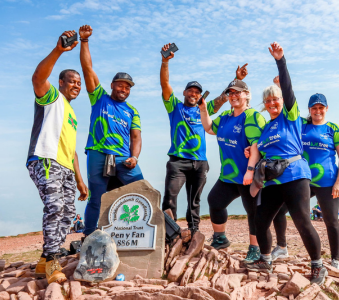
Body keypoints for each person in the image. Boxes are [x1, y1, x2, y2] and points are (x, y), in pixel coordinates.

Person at [245, 42, 328, 285]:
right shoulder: (266, 127)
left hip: (295, 175)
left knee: (302, 219)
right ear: (264, 104)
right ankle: (265, 258)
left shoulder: (290, 116)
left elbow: (288, 89)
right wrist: (252, 152)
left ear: (282, 101)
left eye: (275, 100)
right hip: (272, 180)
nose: (272, 104)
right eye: (268, 101)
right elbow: (260, 151)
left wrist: (280, 61)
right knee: (260, 220)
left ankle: (318, 266)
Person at [27, 30, 88, 284]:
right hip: (45, 160)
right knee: (55, 208)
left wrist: (79, 180)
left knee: (68, 214)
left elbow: (71, 149)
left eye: (79, 83)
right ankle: (52, 260)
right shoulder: (52, 98)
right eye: (72, 81)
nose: (76, 85)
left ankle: (44, 260)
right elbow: (38, 77)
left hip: (64, 167)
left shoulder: (72, 114)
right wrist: (58, 51)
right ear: (61, 83)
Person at [267, 89, 339, 270]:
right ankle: (282, 247)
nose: (317, 111)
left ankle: (335, 259)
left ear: (326, 108)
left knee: (331, 220)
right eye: (314, 108)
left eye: (321, 107)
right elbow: (287, 110)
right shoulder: (301, 125)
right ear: (309, 109)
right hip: (302, 180)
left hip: (327, 181)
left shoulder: (333, 129)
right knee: (279, 211)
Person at [79, 25, 144, 237]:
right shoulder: (99, 98)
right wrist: (85, 41)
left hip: (124, 158)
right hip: (98, 153)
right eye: (120, 85)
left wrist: (134, 157)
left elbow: (136, 137)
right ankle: (89, 237)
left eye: (128, 87)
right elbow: (87, 69)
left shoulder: (133, 111)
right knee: (96, 198)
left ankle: (146, 232)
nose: (124, 89)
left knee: (143, 191)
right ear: (112, 85)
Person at [160, 43, 229, 233]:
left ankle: (194, 231)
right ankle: (169, 233)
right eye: (190, 90)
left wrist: (236, 79)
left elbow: (224, 98)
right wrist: (165, 62)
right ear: (184, 93)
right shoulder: (175, 106)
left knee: (194, 200)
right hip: (178, 161)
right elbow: (165, 85)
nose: (194, 93)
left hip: (200, 162)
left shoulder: (203, 109)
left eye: (197, 92)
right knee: (170, 198)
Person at [199, 67, 266, 263]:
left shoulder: (252, 116)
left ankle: (255, 248)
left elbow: (256, 145)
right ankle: (220, 238)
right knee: (215, 201)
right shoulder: (227, 118)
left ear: (247, 95)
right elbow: (210, 128)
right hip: (228, 174)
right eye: (231, 93)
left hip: (248, 174)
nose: (234, 96)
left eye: (238, 92)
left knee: (253, 211)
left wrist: (251, 171)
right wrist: (204, 110)